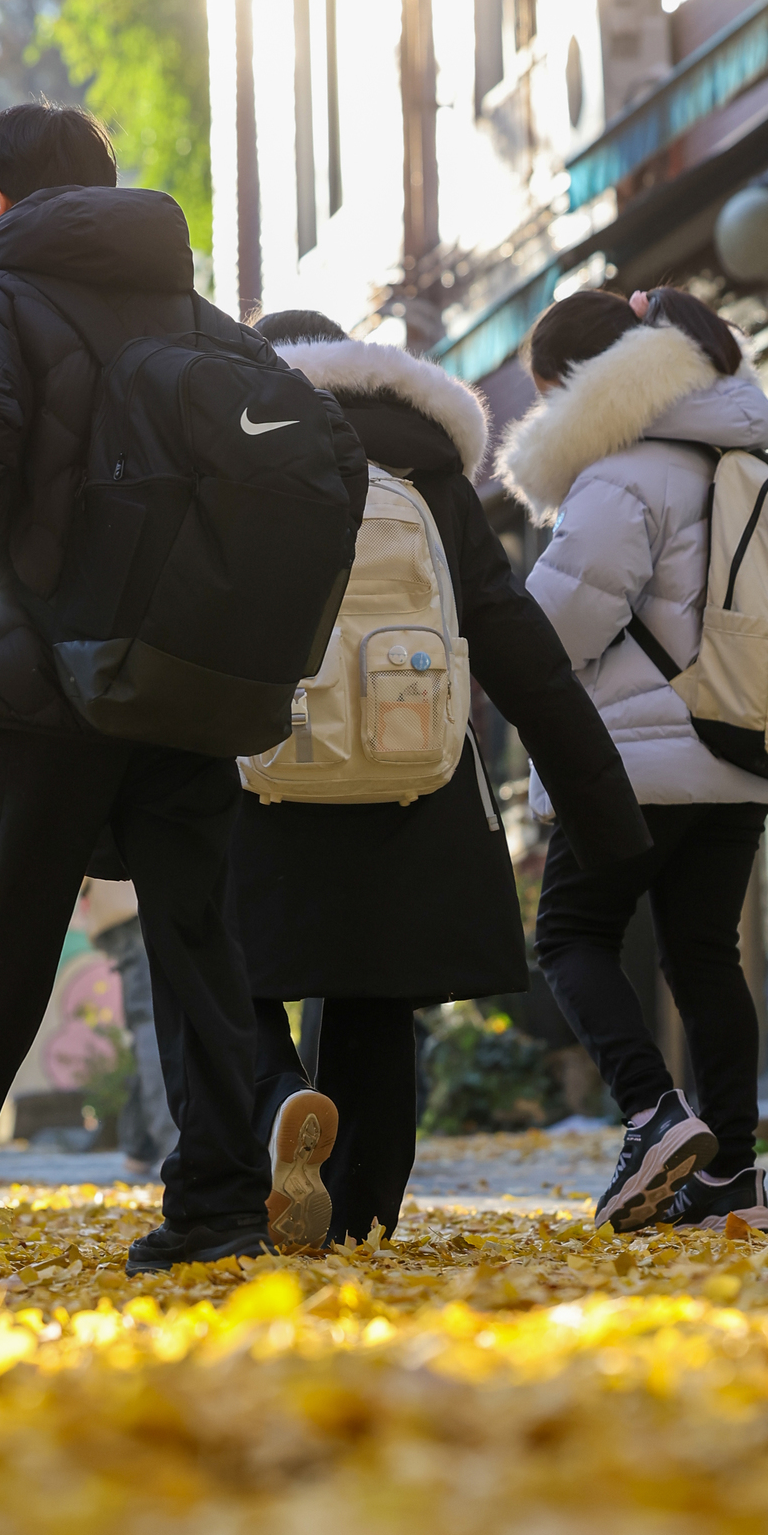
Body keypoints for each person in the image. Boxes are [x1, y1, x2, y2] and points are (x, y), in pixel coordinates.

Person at [0, 104, 358, 1272]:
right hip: (191, 675)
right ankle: (214, 1203)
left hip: (55, 677)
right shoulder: (203, 319)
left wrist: (22, 552)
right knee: (200, 939)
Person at [229, 310, 652, 1249]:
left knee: (232, 972)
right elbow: (520, 651)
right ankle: (362, 1219)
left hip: (264, 763)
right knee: (373, 995)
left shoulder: (238, 455)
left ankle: (274, 1103)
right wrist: (606, 814)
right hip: (407, 769)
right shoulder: (433, 474)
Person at [500, 286, 768, 1232]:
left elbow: (561, 628)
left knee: (570, 936)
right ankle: (733, 1180)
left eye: (548, 393)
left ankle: (651, 1113)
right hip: (740, 746)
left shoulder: (621, 475)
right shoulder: (750, 458)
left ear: (579, 385)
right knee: (706, 953)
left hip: (634, 755)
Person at [77, 874, 179, 1174]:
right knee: (155, 1023)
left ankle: (141, 1145)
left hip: (123, 900)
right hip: (134, 896)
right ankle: (173, 1146)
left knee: (150, 1025)